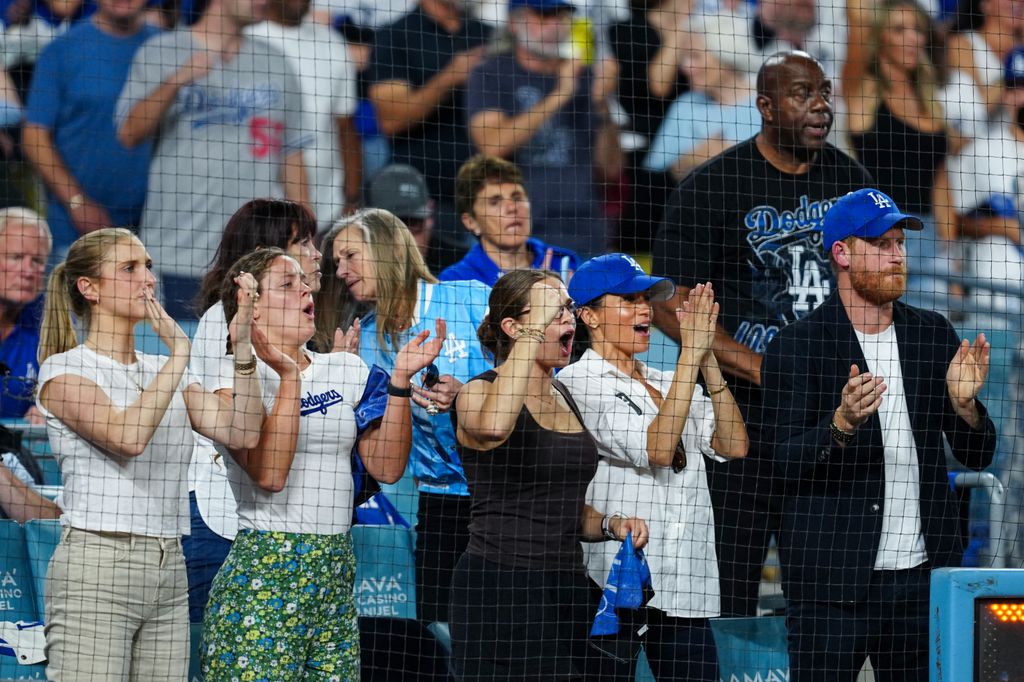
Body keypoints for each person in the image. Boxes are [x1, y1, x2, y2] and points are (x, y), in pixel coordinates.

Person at [652, 50, 873, 617]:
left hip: (828, 420)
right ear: (766, 107)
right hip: (738, 421)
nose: (820, 105)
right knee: (730, 586)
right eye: (803, 94)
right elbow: (668, 303)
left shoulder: (849, 179)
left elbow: (878, 279)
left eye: (824, 92)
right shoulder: (712, 188)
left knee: (831, 590)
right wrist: (760, 366)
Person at [761, 188, 997, 682]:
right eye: (881, 243)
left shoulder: (932, 334)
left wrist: (964, 406)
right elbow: (778, 463)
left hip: (923, 582)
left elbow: (977, 453)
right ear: (842, 254)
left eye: (900, 243)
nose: (897, 255)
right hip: (832, 586)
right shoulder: (797, 347)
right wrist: (839, 426)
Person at [201, 246, 443, 680]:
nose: (306, 289)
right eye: (287, 284)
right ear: (251, 309)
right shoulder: (235, 378)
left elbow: (387, 468)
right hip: (266, 574)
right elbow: (270, 475)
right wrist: (288, 375)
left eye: (304, 281)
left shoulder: (346, 369)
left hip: (336, 575)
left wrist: (401, 384)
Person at [35, 227, 265, 681]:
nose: (147, 279)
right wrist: (180, 350)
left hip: (169, 566)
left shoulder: (165, 370)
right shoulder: (63, 370)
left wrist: (243, 352)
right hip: (97, 565)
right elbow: (128, 437)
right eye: (129, 268)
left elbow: (242, 430)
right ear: (89, 288)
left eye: (149, 267)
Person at [450, 268, 648, 680]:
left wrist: (611, 525)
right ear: (513, 326)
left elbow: (562, 507)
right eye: (551, 312)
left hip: (566, 585)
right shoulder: (477, 392)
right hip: (500, 587)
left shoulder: (566, 396)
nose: (568, 319)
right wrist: (531, 334)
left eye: (566, 310)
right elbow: (493, 426)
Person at [560, 253, 748, 681]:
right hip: (614, 584)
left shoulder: (667, 380)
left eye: (646, 298)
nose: (644, 308)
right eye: (627, 299)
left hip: (685, 581)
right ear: (588, 315)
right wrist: (689, 360)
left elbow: (734, 444)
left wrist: (706, 360)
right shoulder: (576, 383)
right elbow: (659, 449)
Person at [315, 208, 491, 636]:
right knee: (444, 636)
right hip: (440, 504)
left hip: (506, 496)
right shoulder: (366, 340)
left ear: (389, 249)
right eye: (336, 262)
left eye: (351, 256)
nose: (341, 271)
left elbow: (538, 377)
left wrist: (470, 393)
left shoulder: (470, 297)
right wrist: (343, 372)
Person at [116, 0, 310, 318]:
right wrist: (178, 79)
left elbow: (292, 155)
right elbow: (129, 132)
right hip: (178, 250)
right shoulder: (161, 51)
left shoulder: (276, 62)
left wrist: (304, 231)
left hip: (255, 257)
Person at [184, 198, 321, 623]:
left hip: (274, 524)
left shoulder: (302, 327)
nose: (317, 255)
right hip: (221, 521)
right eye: (304, 244)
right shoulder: (221, 320)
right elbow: (237, 426)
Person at [466, 0, 622, 258]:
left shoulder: (586, 76)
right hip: (517, 228)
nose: (554, 25)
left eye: (560, 16)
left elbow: (611, 169)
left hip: (583, 226)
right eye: (543, 15)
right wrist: (560, 94)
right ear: (514, 23)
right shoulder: (491, 73)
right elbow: (492, 144)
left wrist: (601, 105)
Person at [22, 0, 158, 261]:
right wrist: (76, 202)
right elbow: (34, 136)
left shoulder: (168, 48)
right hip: (74, 232)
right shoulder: (61, 50)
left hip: (154, 229)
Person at [367, 0, 492, 258]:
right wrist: (451, 76)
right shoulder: (395, 35)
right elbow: (391, 119)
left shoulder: (487, 35)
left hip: (489, 201)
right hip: (426, 206)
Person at [246, 0, 363, 229]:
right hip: (257, 209)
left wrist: (351, 198)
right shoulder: (247, 41)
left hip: (326, 209)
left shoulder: (332, 44)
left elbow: (346, 128)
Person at [844, 0, 952, 237]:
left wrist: (950, 248)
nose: (913, 38)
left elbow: (941, 185)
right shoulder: (864, 91)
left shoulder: (930, 101)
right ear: (879, 37)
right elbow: (857, 20)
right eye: (899, 30)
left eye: (917, 30)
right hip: (876, 232)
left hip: (927, 235)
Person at [440, 154, 578, 286]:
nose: (512, 207)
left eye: (517, 197)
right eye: (495, 202)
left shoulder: (563, 265)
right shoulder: (455, 281)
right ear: (471, 221)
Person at [644, 37, 760, 181]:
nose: (686, 67)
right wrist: (692, 159)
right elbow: (651, 177)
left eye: (695, 56)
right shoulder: (685, 106)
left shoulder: (767, 105)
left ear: (726, 55)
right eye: (684, 58)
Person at [0, 207, 50, 422]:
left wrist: (48, 409)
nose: (28, 271)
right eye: (16, 257)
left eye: (37, 261)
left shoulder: (48, 323)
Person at [365, 162, 437, 264]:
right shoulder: (349, 273)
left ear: (430, 220)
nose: (404, 241)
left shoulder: (455, 271)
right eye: (391, 228)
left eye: (413, 224)